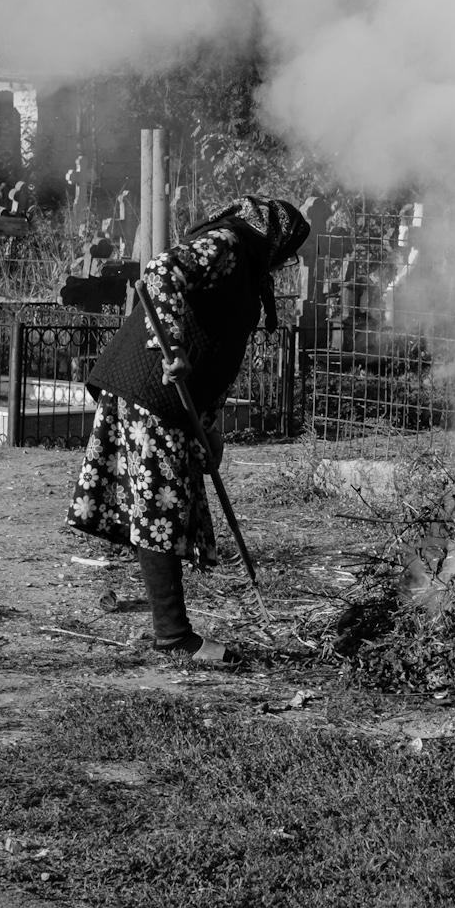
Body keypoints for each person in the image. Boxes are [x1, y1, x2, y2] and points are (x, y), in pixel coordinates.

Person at [68, 195, 310, 660]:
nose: (285, 260)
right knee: (162, 507)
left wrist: (209, 425)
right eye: (287, 248)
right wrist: (171, 346)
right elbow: (158, 274)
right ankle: (175, 638)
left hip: (173, 400)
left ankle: (173, 632)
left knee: (170, 505)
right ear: (273, 235)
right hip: (151, 386)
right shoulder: (227, 243)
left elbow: (220, 349)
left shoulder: (247, 268)